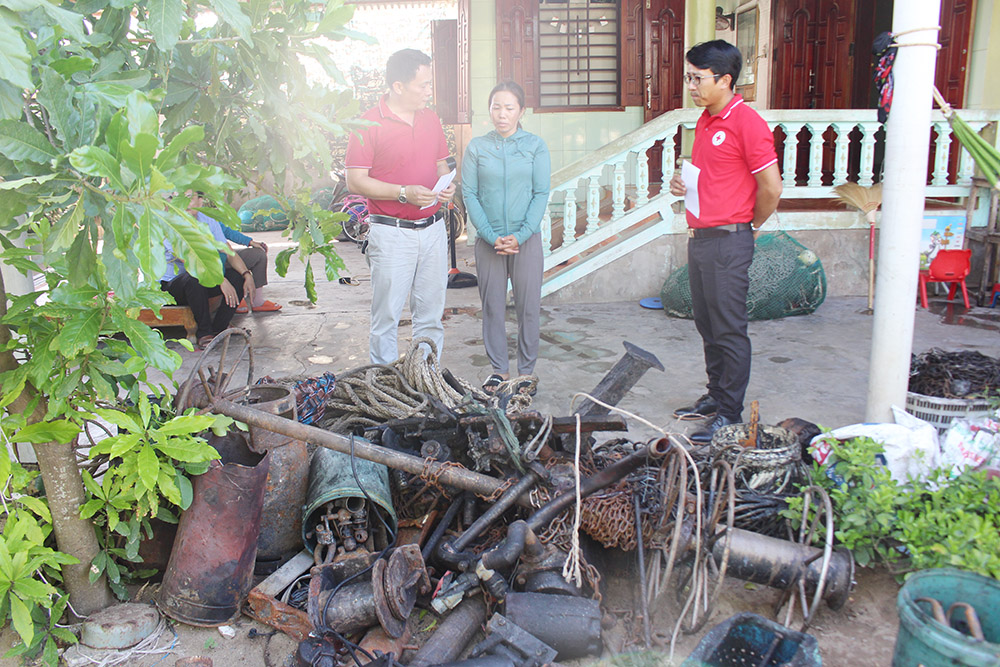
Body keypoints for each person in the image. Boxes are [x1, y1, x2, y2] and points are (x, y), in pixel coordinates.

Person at [668, 40, 782, 444]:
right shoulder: (705, 121)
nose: (692, 86)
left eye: (698, 78)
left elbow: (771, 186)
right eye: (690, 77)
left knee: (729, 329)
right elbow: (710, 177)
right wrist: (682, 184)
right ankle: (716, 397)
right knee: (707, 324)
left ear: (725, 79)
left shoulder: (745, 121)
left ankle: (730, 415)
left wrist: (748, 224)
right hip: (700, 239)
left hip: (729, 240)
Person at [345, 49, 455, 365]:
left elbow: (442, 164)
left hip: (433, 229)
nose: (429, 91)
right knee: (387, 319)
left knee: (431, 317)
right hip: (391, 233)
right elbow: (355, 181)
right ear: (398, 86)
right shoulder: (367, 123)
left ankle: (427, 379)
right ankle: (386, 388)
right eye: (423, 85)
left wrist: (447, 185)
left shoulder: (431, 118)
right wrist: (404, 192)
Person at [462, 81, 550, 393]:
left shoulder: (534, 146)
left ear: (521, 111)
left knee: (528, 307)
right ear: (489, 110)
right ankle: (499, 370)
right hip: (489, 243)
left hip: (526, 241)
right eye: (496, 107)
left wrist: (522, 235)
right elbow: (469, 194)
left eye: (509, 108)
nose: (502, 114)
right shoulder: (476, 147)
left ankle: (526, 373)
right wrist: (489, 234)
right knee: (493, 307)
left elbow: (540, 193)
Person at [160, 191, 256, 348]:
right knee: (194, 278)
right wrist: (220, 279)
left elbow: (228, 251)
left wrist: (247, 274)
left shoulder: (208, 220)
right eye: (179, 198)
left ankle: (219, 329)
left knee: (237, 278)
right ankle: (204, 333)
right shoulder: (170, 225)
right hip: (170, 287)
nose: (184, 202)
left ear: (200, 201)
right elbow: (190, 261)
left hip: (202, 280)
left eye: (189, 197)